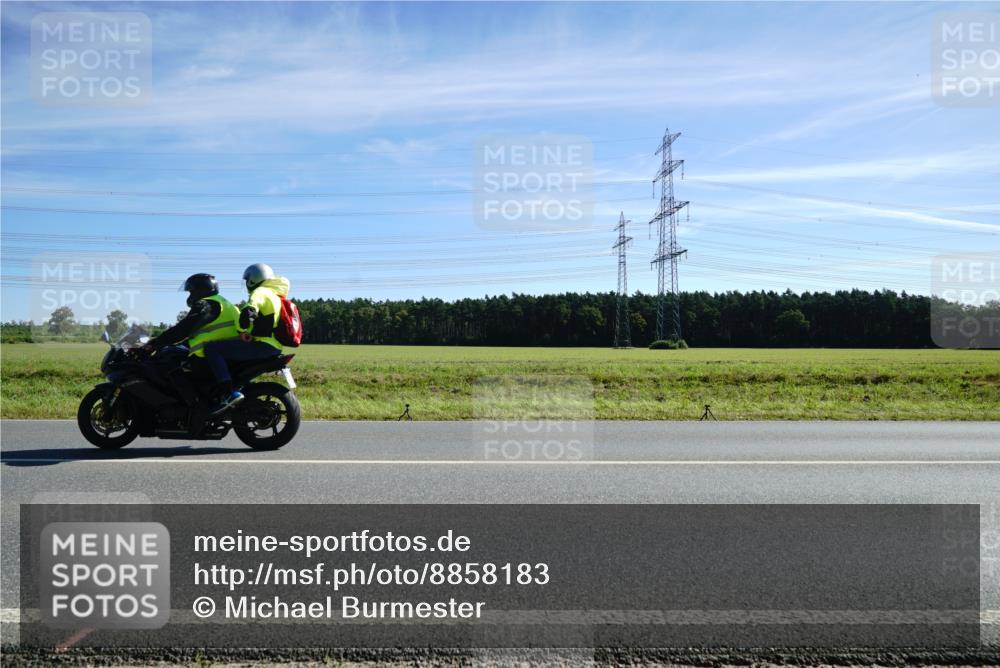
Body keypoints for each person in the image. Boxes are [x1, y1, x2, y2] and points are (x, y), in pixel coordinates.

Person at [145, 273, 243, 412]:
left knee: (170, 366)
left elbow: (184, 328)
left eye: (191, 291)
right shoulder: (224, 303)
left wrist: (155, 343)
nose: (189, 295)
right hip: (227, 353)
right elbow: (199, 332)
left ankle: (196, 407)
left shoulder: (206, 304)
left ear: (200, 290)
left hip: (210, 355)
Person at [201, 263, 286, 410]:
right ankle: (239, 388)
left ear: (253, 279)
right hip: (274, 347)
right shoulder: (275, 296)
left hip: (261, 346)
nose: (246, 283)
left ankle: (228, 392)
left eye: (247, 280)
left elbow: (249, 312)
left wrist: (242, 330)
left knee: (212, 349)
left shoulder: (260, 292)